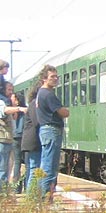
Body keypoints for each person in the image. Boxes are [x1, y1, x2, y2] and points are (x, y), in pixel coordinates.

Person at [36, 65, 69, 200]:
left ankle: (41, 195)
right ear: (44, 78)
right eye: (52, 76)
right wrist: (66, 111)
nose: (55, 79)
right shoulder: (48, 94)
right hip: (51, 130)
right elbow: (63, 112)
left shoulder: (41, 93)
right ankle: (45, 197)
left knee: (46, 163)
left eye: (56, 76)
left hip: (46, 130)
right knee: (50, 165)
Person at [0, 83, 25, 189]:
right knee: (2, 168)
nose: (11, 92)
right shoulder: (1, 102)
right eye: (9, 90)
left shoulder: (8, 103)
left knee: (7, 167)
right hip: (2, 138)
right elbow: (4, 111)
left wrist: (14, 106)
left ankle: (4, 190)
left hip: (8, 138)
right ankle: (2, 192)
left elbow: (14, 117)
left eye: (12, 90)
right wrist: (19, 108)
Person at [21, 81, 42, 193]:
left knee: (34, 168)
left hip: (33, 140)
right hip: (33, 141)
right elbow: (36, 121)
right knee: (34, 168)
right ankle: (31, 195)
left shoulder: (34, 103)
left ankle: (32, 194)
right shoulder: (34, 104)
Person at [11, 89, 25, 192]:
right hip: (24, 137)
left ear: (17, 100)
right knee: (28, 163)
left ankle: (16, 188)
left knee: (17, 162)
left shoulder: (12, 110)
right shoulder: (25, 110)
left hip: (15, 137)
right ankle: (27, 186)